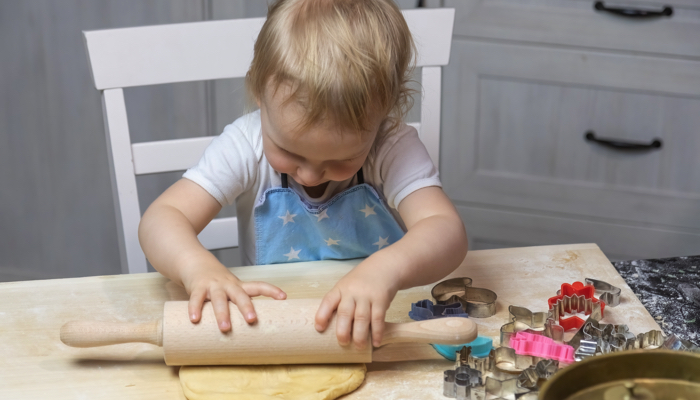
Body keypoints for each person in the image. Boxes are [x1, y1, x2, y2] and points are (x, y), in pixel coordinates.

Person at [138, 0, 467, 350]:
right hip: (270, 329)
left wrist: (386, 270)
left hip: (379, 326)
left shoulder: (391, 146)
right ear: (259, 92)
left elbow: (447, 230)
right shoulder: (244, 146)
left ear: (384, 113)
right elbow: (161, 218)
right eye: (290, 152)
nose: (310, 175)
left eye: (342, 158)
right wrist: (196, 267)